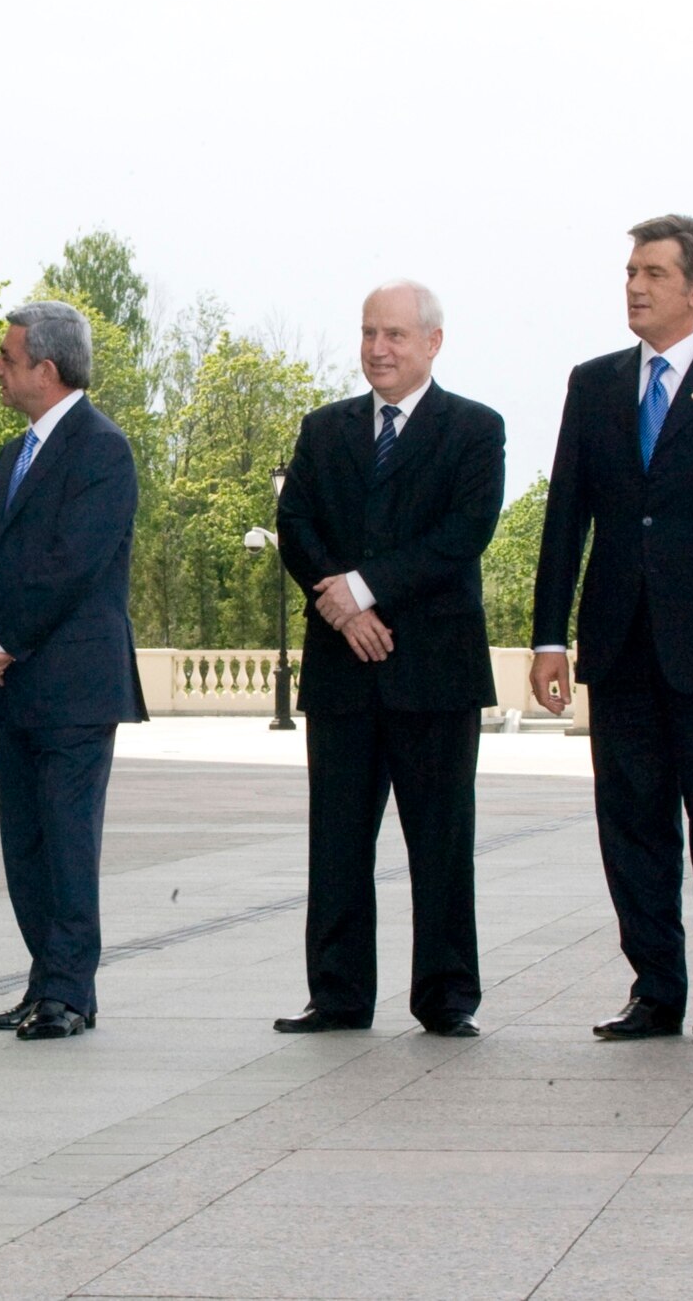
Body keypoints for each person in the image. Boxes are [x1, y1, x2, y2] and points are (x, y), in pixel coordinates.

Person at [530, 214, 693, 1042]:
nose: (636, 287)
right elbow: (565, 516)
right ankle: (655, 987)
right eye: (630, 273)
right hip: (617, 646)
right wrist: (549, 636)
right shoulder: (595, 382)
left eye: (653, 273)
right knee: (632, 823)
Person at [272, 282, 505, 1038]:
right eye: (370, 332)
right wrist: (339, 605)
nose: (379, 348)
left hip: (433, 669)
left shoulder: (474, 429)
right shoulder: (324, 428)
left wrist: (365, 590)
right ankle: (337, 994)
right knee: (336, 841)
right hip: (342, 672)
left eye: (396, 335)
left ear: (433, 342)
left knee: (441, 843)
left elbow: (464, 532)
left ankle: (445, 998)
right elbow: (296, 520)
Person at [0, 300, 145, 1041]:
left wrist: (9, 638)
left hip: (71, 686)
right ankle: (43, 980)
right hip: (12, 683)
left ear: (47, 367)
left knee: (68, 842)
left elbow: (74, 564)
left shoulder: (103, 449)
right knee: (25, 845)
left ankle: (71, 992)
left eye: (7, 358)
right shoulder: (13, 454)